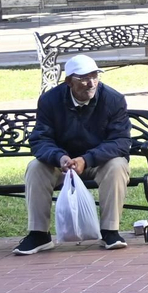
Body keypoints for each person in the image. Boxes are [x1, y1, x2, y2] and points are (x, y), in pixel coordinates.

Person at [16, 55, 132, 255]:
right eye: (83, 78)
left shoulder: (113, 99)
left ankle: (110, 231)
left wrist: (86, 160)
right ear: (69, 81)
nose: (91, 83)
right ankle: (39, 234)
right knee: (35, 168)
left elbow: (120, 142)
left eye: (95, 76)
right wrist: (59, 157)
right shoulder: (49, 100)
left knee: (117, 165)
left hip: (98, 162)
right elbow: (40, 140)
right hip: (62, 163)